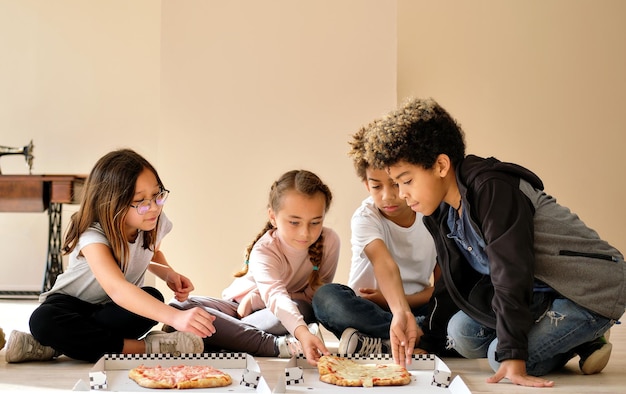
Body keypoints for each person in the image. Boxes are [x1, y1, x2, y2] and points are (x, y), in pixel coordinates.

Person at [359, 97, 625, 388]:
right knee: (460, 332)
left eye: (406, 181)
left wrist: (514, 355)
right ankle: (574, 337)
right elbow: (451, 285)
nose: (402, 194)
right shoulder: (441, 213)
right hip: (542, 293)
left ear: (441, 165)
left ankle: (585, 332)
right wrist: (426, 335)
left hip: (591, 290)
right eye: (397, 183)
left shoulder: (492, 190)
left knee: (502, 360)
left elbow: (511, 271)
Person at [4, 149, 216, 363]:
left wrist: (168, 273)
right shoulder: (92, 234)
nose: (153, 207)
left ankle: (50, 347)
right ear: (112, 202)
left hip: (111, 311)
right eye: (141, 201)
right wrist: (175, 317)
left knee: (153, 298)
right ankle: (146, 348)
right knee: (44, 321)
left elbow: (152, 252)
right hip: (72, 304)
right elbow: (117, 288)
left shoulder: (154, 221)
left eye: (157, 195)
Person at [167, 169, 339, 365]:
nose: (305, 232)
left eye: (315, 222)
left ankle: (228, 337)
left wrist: (258, 299)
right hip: (236, 308)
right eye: (294, 222)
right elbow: (272, 295)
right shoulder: (264, 250)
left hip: (279, 312)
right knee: (178, 306)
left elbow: (307, 298)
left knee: (301, 309)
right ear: (273, 217)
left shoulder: (330, 242)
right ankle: (254, 340)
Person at [312, 127, 439, 356]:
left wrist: (407, 304)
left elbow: (444, 289)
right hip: (370, 307)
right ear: (366, 185)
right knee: (327, 299)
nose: (387, 196)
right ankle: (416, 337)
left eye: (396, 184)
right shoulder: (365, 217)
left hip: (417, 306)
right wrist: (398, 311)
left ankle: (382, 343)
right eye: (376, 186)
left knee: (459, 315)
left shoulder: (431, 212)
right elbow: (384, 263)